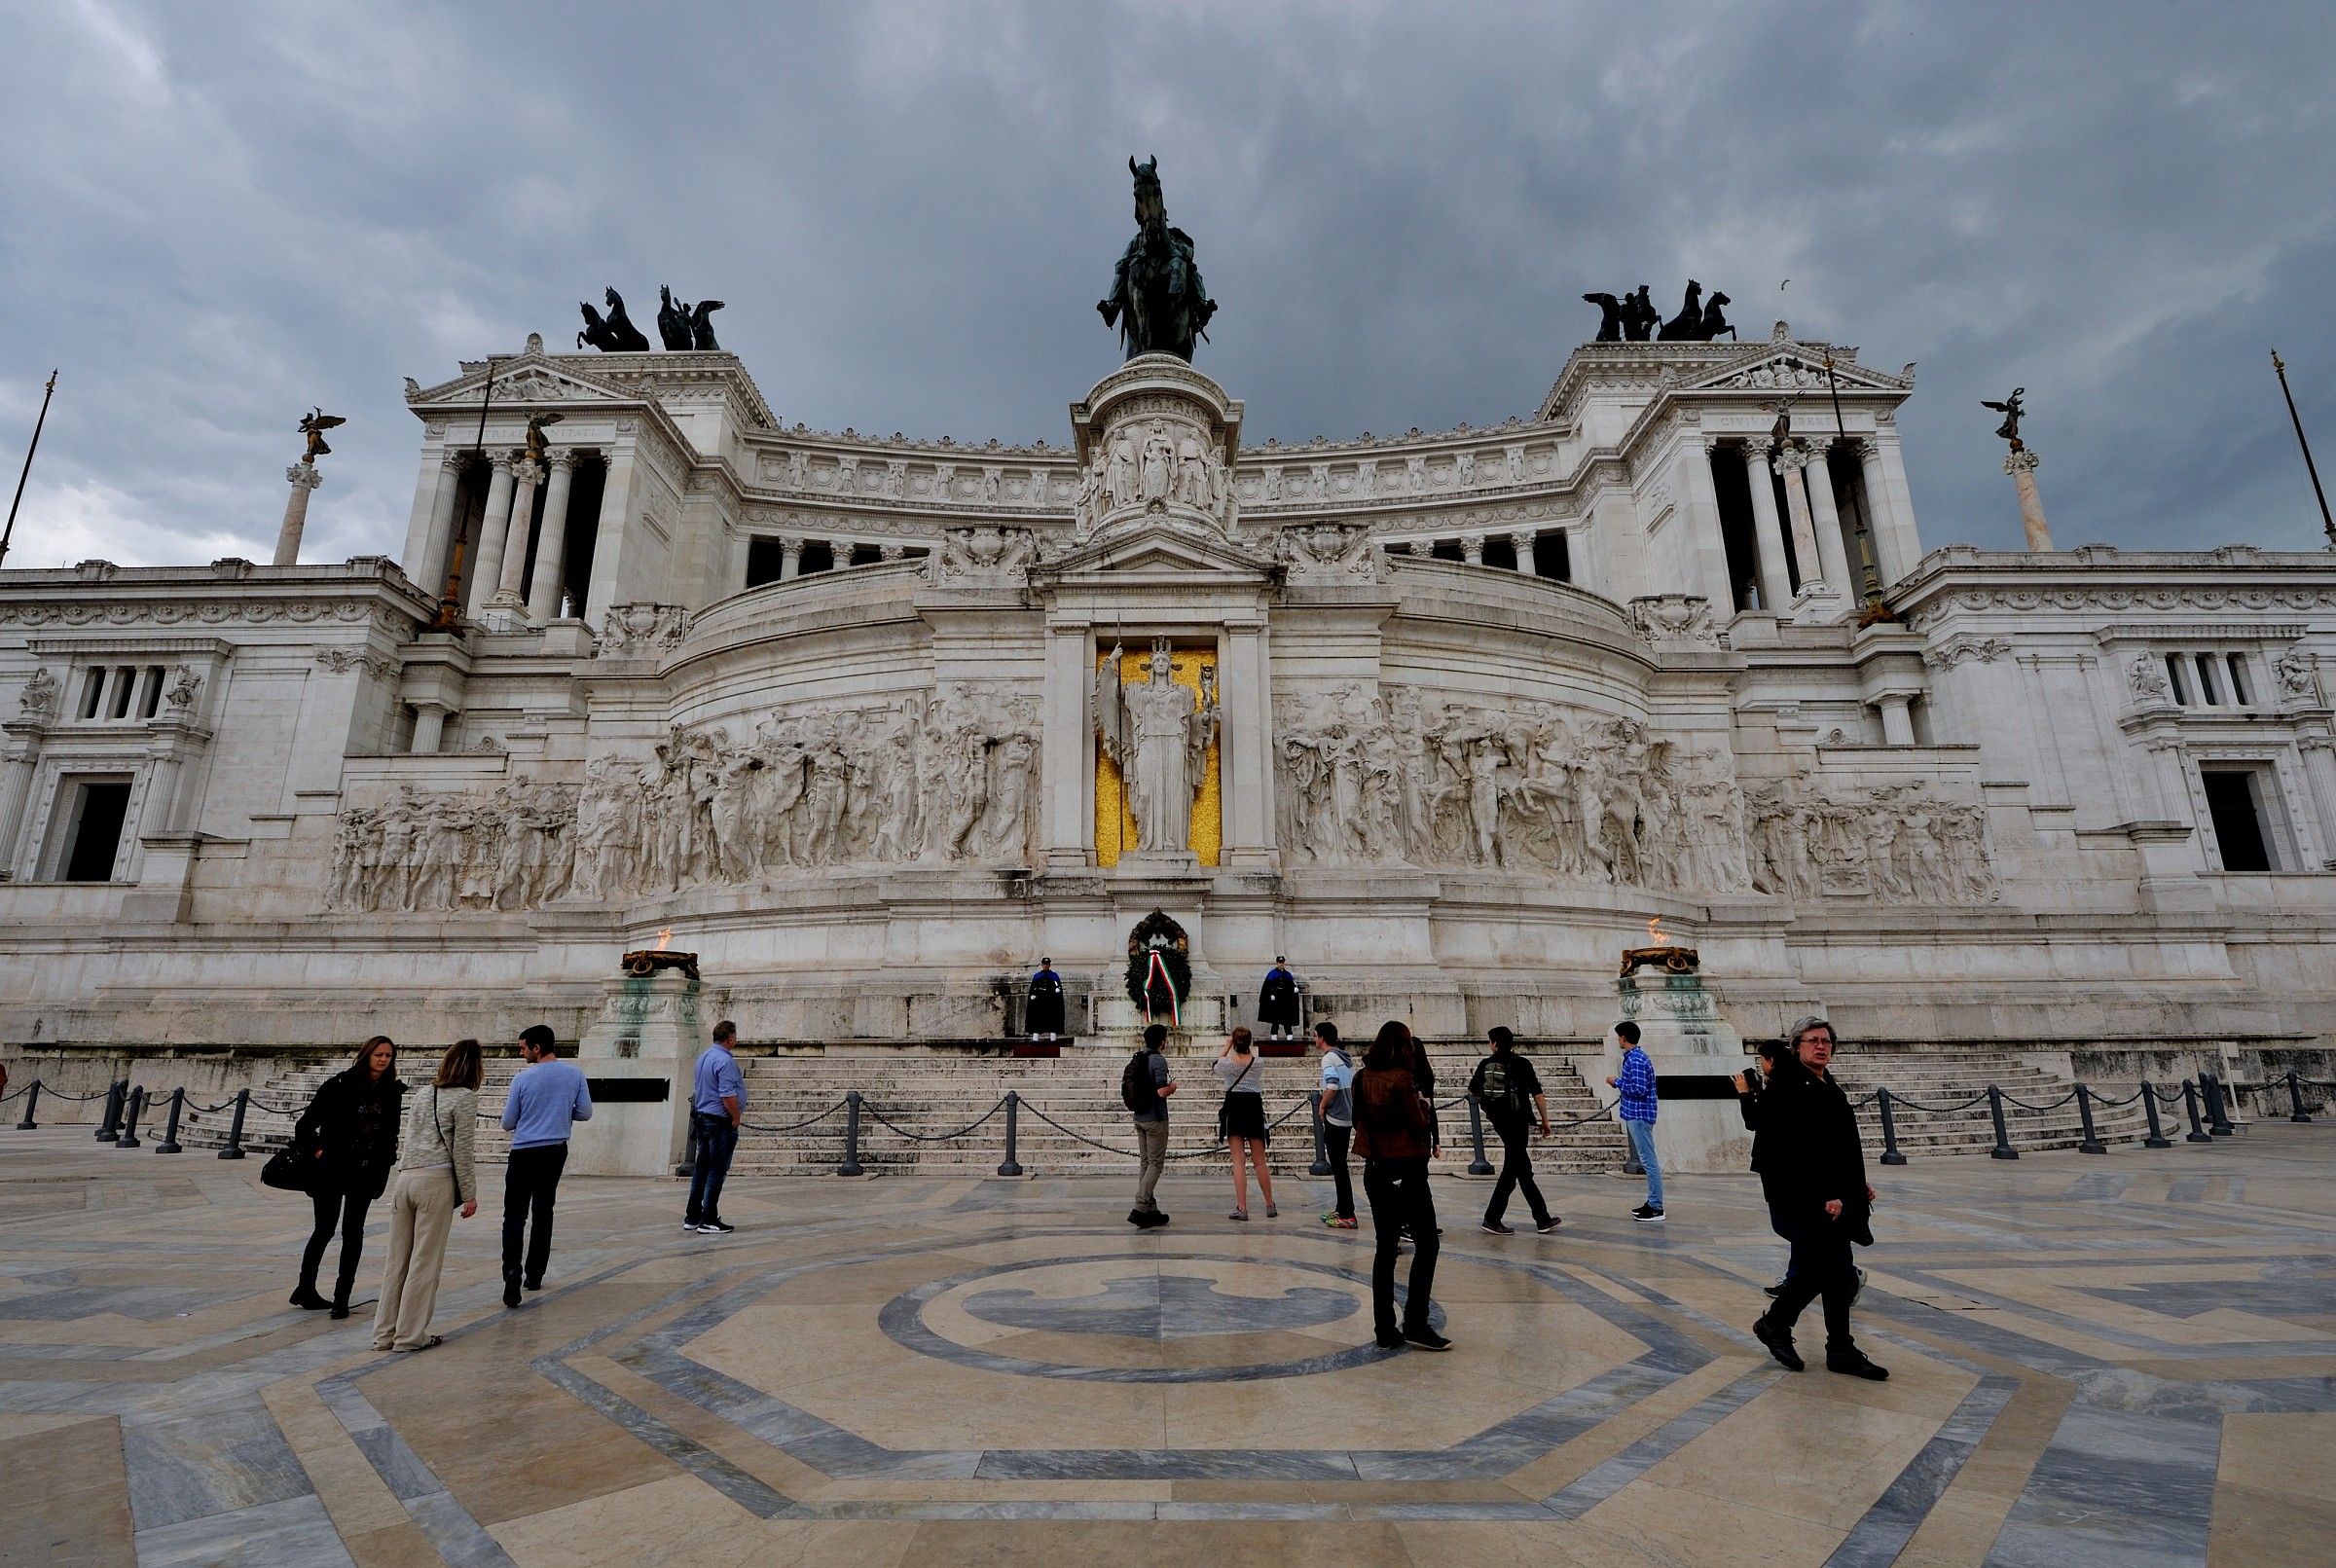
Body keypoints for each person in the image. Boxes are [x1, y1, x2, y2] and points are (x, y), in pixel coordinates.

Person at [1751, 1017, 1888, 1380]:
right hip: (1802, 1197)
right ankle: (1783, 1327)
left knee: (1836, 1270)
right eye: (1812, 1040)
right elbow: (1793, 1151)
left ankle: (1833, 1346)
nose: (1821, 1046)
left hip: (1829, 1195)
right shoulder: (1788, 1085)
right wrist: (1830, 1193)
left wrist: (1856, 1186)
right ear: (1797, 1046)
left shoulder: (1824, 1083)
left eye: (1826, 1041)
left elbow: (1835, 1147)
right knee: (1824, 1269)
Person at [372, 1039, 481, 1353]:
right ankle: (409, 1336)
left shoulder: (423, 1092)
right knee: (424, 1263)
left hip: (406, 1179)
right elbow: (462, 1151)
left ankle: (384, 1334)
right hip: (435, 1181)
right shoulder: (465, 1098)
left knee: (396, 1262)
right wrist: (470, 1194)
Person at [290, 1036, 406, 1320]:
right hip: (331, 1170)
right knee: (325, 1230)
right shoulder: (339, 1085)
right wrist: (318, 1152)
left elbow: (391, 1132)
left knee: (354, 1233)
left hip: (365, 1172)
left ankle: (342, 1297)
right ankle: (305, 1288)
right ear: (366, 1055)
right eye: (378, 1054)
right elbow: (305, 1126)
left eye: (388, 1056)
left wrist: (386, 1161)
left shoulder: (391, 1091)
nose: (383, 1060)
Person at [1353, 1021, 1448, 1351]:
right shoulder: (1404, 1079)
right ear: (1404, 1046)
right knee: (1427, 1244)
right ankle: (1416, 1322)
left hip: (1376, 1169)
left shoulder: (1361, 1077)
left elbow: (1357, 1120)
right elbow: (1418, 1124)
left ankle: (1385, 1329)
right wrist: (1424, 1104)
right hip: (1407, 1170)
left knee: (1385, 1249)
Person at [497, 1024, 592, 1309]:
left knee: (514, 1215)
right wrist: (562, 1113)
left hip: (524, 1151)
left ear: (537, 1048)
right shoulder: (574, 1074)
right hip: (554, 1150)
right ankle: (535, 1274)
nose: (521, 1052)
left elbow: (507, 1123)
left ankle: (511, 1270)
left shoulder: (523, 1079)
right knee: (543, 1211)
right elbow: (585, 1112)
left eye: (523, 1047)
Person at [1470, 1027, 1558, 1235]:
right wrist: (1545, 1121)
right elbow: (1537, 1094)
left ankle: (1541, 1218)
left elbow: (1473, 1090)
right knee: (1515, 1170)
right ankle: (1496, 1218)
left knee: (1519, 1169)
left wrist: (1490, 1105)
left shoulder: (1485, 1064)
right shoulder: (1522, 1063)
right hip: (1519, 1122)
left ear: (1495, 1043)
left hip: (1500, 1122)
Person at [685, 1020, 746, 1235]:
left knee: (702, 1169)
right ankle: (709, 1218)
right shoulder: (725, 1061)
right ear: (730, 1038)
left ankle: (693, 1215)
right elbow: (727, 1094)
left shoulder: (704, 1057)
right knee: (716, 1171)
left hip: (703, 1118)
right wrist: (736, 1117)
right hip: (719, 1121)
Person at [1214, 1026, 1275, 1220]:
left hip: (1234, 1107)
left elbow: (1215, 1065)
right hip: (1254, 1107)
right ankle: (1269, 1204)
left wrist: (1226, 1047)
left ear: (1234, 1042)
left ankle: (1242, 1207)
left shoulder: (1228, 1064)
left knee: (1238, 1161)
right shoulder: (1258, 1063)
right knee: (1260, 1162)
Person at [1606, 1021, 1662, 1221]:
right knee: (1648, 1160)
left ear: (1623, 1037)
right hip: (1636, 1114)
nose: (1617, 1040)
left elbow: (1639, 1089)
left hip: (1639, 1115)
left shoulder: (1636, 1059)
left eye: (1618, 1036)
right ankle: (1652, 1203)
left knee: (1648, 1161)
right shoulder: (1634, 1057)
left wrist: (1617, 1082)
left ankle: (1656, 1207)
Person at [1124, 1022, 1176, 1228]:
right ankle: (1140, 1206)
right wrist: (1173, 1087)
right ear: (1161, 1041)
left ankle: (1150, 1209)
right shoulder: (1158, 1060)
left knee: (1145, 1163)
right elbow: (1162, 1091)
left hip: (1140, 1117)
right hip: (1156, 1118)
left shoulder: (1138, 1058)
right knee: (1155, 1164)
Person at [1315, 1022, 1357, 1229]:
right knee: (1341, 1166)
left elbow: (1331, 1084)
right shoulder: (1344, 1058)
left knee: (1339, 1167)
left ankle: (1347, 1213)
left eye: (1315, 1036)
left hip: (1336, 1117)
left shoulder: (1328, 1059)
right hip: (1347, 1115)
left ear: (1322, 1038)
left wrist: (1322, 1106)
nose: (1314, 1039)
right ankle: (1342, 1208)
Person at [1259, 957, 1300, 1043]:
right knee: (1275, 1019)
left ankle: (1289, 1035)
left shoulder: (1288, 974)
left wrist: (1294, 989)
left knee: (1287, 1019)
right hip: (1276, 999)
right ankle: (1274, 1036)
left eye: (1282, 962)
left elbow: (1291, 984)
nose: (1281, 964)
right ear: (1277, 963)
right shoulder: (1272, 974)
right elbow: (1266, 987)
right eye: (1279, 962)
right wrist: (1270, 995)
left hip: (1285, 1000)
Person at [1027, 958, 1065, 1044]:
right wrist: (1033, 995)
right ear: (1042, 965)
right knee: (1037, 1019)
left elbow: (1058, 987)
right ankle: (1035, 1038)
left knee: (1052, 1019)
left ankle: (1053, 1038)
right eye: (1044, 964)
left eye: (1047, 964)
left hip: (1051, 1001)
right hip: (1039, 1002)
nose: (1045, 966)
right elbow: (1033, 988)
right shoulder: (1037, 976)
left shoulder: (1054, 976)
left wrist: (1057, 992)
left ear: (1049, 965)